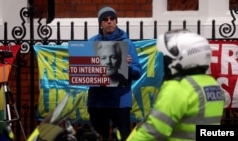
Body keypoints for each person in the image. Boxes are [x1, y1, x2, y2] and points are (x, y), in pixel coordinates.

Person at [126, 29, 225, 141]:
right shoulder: (212, 85)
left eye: (167, 58)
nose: (165, 63)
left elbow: (153, 132)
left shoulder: (177, 88)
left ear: (181, 59)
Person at [87, 6, 142, 141]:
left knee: (122, 137)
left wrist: (126, 67)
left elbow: (137, 72)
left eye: (112, 19)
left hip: (120, 102)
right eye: (105, 19)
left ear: (116, 21)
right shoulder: (91, 43)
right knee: (99, 138)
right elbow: (84, 70)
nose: (109, 22)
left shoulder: (127, 44)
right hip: (97, 101)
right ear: (100, 23)